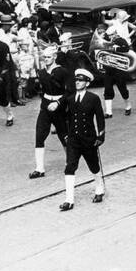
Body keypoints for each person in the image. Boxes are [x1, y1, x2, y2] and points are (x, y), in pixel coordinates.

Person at [60, 68, 106, 211]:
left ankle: (99, 189)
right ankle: (69, 200)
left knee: (94, 166)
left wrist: (100, 136)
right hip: (74, 140)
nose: (77, 83)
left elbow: (99, 118)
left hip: (88, 139)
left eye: (80, 81)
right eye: (76, 80)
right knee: (69, 167)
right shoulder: (70, 99)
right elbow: (67, 118)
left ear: (87, 83)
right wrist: (66, 134)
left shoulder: (93, 98)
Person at [30, 41, 70, 179]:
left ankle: (70, 162)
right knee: (39, 135)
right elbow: (41, 90)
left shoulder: (62, 72)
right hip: (46, 106)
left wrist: (58, 103)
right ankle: (39, 168)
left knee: (64, 135)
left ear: (54, 57)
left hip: (59, 107)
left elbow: (69, 92)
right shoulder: (41, 73)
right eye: (44, 57)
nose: (46, 60)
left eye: (48, 57)